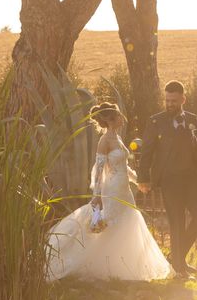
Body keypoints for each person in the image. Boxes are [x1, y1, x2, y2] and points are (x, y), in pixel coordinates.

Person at [46, 102, 173, 281]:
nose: (122, 118)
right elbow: (98, 170)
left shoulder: (117, 137)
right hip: (112, 189)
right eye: (119, 115)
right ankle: (100, 264)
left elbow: (123, 166)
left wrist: (139, 181)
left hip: (124, 189)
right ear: (111, 119)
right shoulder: (104, 141)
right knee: (110, 225)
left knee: (128, 222)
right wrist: (97, 195)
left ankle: (125, 264)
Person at [137, 80, 197, 278]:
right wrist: (144, 178)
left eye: (174, 101)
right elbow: (146, 152)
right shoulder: (155, 121)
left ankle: (176, 256)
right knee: (176, 222)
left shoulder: (193, 119)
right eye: (167, 100)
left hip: (190, 179)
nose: (169, 104)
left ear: (183, 99)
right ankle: (179, 267)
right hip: (169, 180)